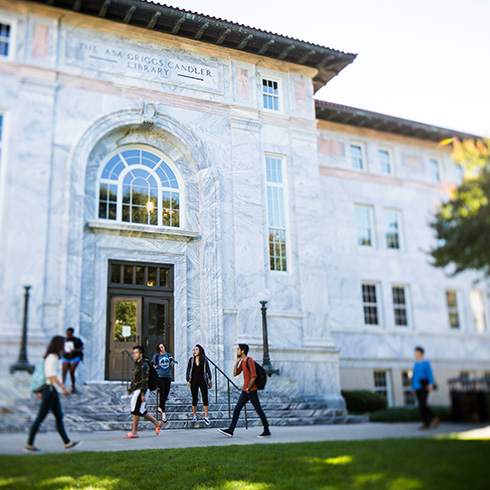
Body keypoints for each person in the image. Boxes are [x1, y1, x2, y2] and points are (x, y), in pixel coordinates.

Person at [25, 336, 82, 453]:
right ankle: (29, 444)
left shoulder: (51, 357)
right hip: (49, 390)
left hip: (51, 390)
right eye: (63, 344)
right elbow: (51, 375)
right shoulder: (53, 357)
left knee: (59, 416)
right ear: (58, 345)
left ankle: (68, 443)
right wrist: (63, 388)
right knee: (40, 417)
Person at [218, 344, 270, 438]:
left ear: (242, 351)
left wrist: (248, 388)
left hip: (251, 391)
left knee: (258, 410)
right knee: (237, 409)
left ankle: (266, 430)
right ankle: (230, 430)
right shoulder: (243, 362)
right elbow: (235, 374)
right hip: (245, 391)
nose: (237, 351)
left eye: (238, 349)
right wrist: (237, 362)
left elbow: (254, 376)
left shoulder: (250, 361)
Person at [124, 345, 163, 439]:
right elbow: (134, 379)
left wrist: (142, 393)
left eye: (136, 353)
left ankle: (134, 432)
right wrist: (129, 391)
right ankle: (157, 423)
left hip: (142, 390)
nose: (134, 354)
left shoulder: (144, 364)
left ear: (141, 354)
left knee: (136, 410)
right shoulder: (137, 364)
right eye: (133, 353)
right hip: (138, 389)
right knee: (140, 410)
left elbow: (144, 380)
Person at [411, 346, 439, 430]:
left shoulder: (426, 363)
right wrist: (413, 387)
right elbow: (414, 376)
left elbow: (430, 374)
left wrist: (431, 384)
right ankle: (426, 423)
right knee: (421, 405)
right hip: (417, 387)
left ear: (421, 353)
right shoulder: (415, 364)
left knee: (423, 404)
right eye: (415, 352)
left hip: (424, 386)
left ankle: (433, 418)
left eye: (417, 352)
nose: (415, 354)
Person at [186, 344, 212, 425]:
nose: (195, 351)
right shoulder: (191, 360)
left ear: (200, 350)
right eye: (194, 350)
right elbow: (188, 370)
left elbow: (208, 370)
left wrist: (210, 380)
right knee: (194, 398)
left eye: (196, 349)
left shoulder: (204, 360)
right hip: (193, 381)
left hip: (202, 381)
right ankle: (194, 415)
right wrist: (188, 380)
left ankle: (206, 417)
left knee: (205, 397)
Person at [151, 342, 176, 423]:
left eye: (162, 347)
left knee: (166, 393)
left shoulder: (168, 355)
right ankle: (163, 414)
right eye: (160, 347)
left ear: (164, 347)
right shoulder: (157, 356)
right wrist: (155, 366)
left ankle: (160, 407)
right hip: (160, 376)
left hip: (167, 376)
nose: (161, 348)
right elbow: (152, 364)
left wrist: (172, 363)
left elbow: (171, 365)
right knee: (162, 393)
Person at [61, 327, 84, 394]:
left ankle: (73, 386)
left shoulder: (76, 340)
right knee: (64, 371)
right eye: (67, 333)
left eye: (69, 333)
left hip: (74, 357)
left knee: (71, 372)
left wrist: (74, 350)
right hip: (65, 357)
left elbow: (81, 348)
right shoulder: (64, 340)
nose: (68, 334)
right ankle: (62, 386)